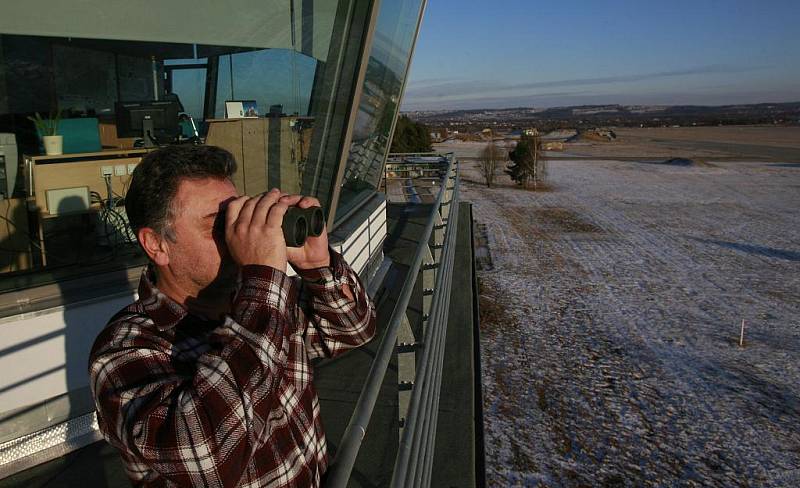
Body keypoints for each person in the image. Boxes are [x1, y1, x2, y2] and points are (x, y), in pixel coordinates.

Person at [89, 145, 376, 487]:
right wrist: (263, 279)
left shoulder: (262, 301)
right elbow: (209, 458)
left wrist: (317, 267)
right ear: (157, 245)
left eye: (237, 217)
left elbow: (354, 329)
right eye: (217, 225)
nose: (235, 234)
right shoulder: (125, 350)